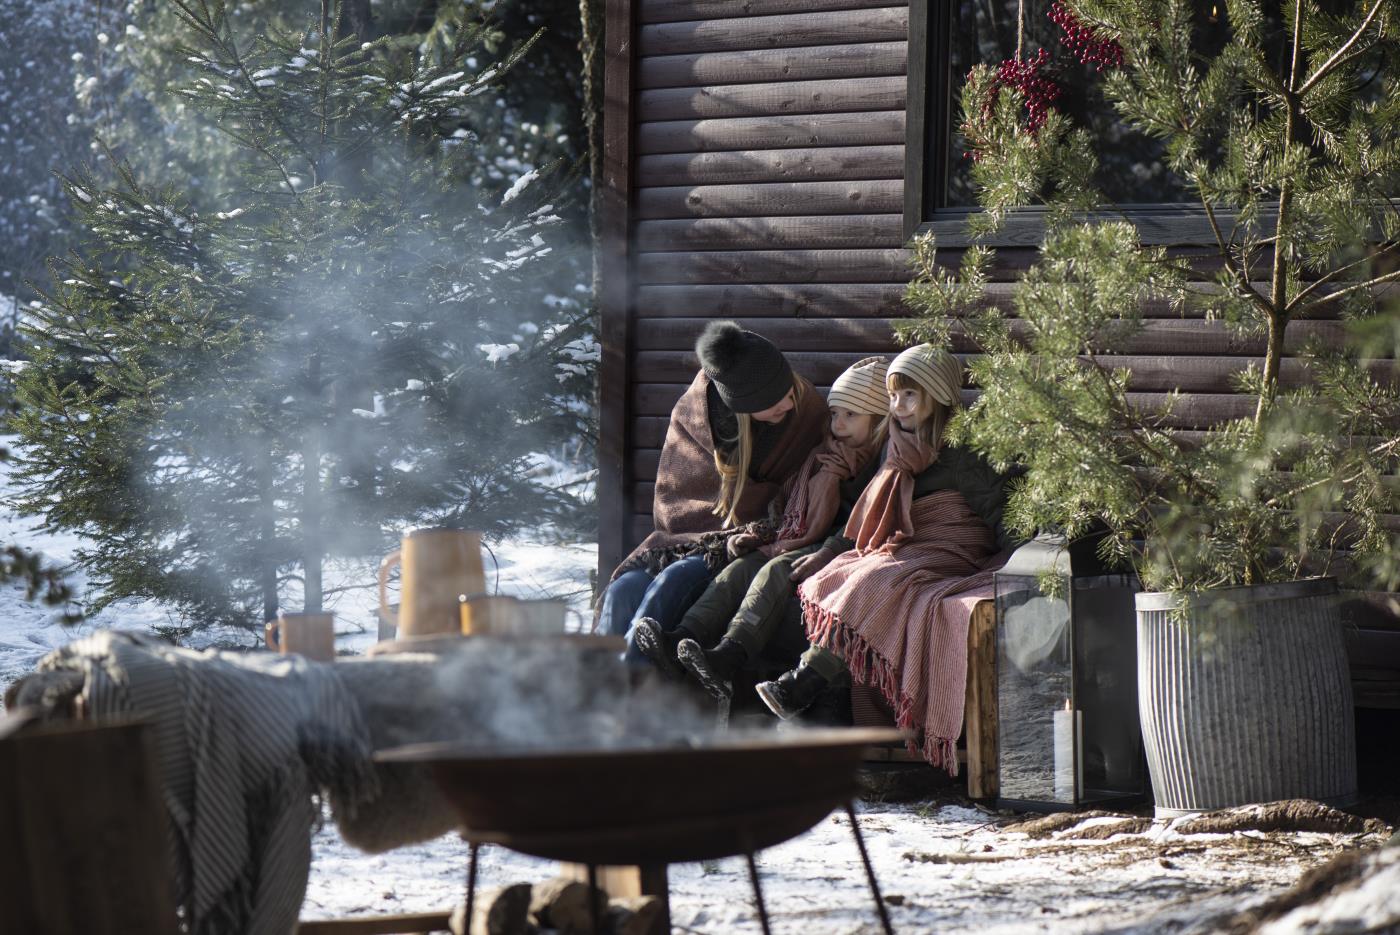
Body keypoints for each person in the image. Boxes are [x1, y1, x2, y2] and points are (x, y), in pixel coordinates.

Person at [756, 345, 1014, 760]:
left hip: (952, 544)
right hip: (905, 541)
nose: (898, 406)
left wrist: (1019, 559)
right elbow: (869, 513)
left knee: (880, 579)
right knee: (840, 572)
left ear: (939, 396)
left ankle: (803, 682)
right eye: (893, 395)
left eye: (910, 395)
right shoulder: (893, 445)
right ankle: (821, 706)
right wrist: (829, 551)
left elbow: (999, 510)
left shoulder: (963, 451)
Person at [632, 357, 891, 699]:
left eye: (851, 415)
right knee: (741, 568)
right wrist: (764, 532)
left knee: (776, 569)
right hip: (800, 537)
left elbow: (869, 521)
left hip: (844, 545)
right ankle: (683, 637)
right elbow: (788, 502)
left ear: (879, 419)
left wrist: (826, 548)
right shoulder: (824, 453)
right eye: (834, 413)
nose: (838, 423)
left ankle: (731, 653)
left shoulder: (882, 463)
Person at [596, 320, 826, 662]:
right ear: (742, 405)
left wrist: (758, 527)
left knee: (672, 581)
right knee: (623, 590)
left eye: (788, 392)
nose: (789, 403)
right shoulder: (696, 414)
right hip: (683, 541)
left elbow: (803, 498)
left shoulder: (806, 413)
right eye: (775, 400)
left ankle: (629, 680)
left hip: (747, 543)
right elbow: (674, 499)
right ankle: (593, 683)